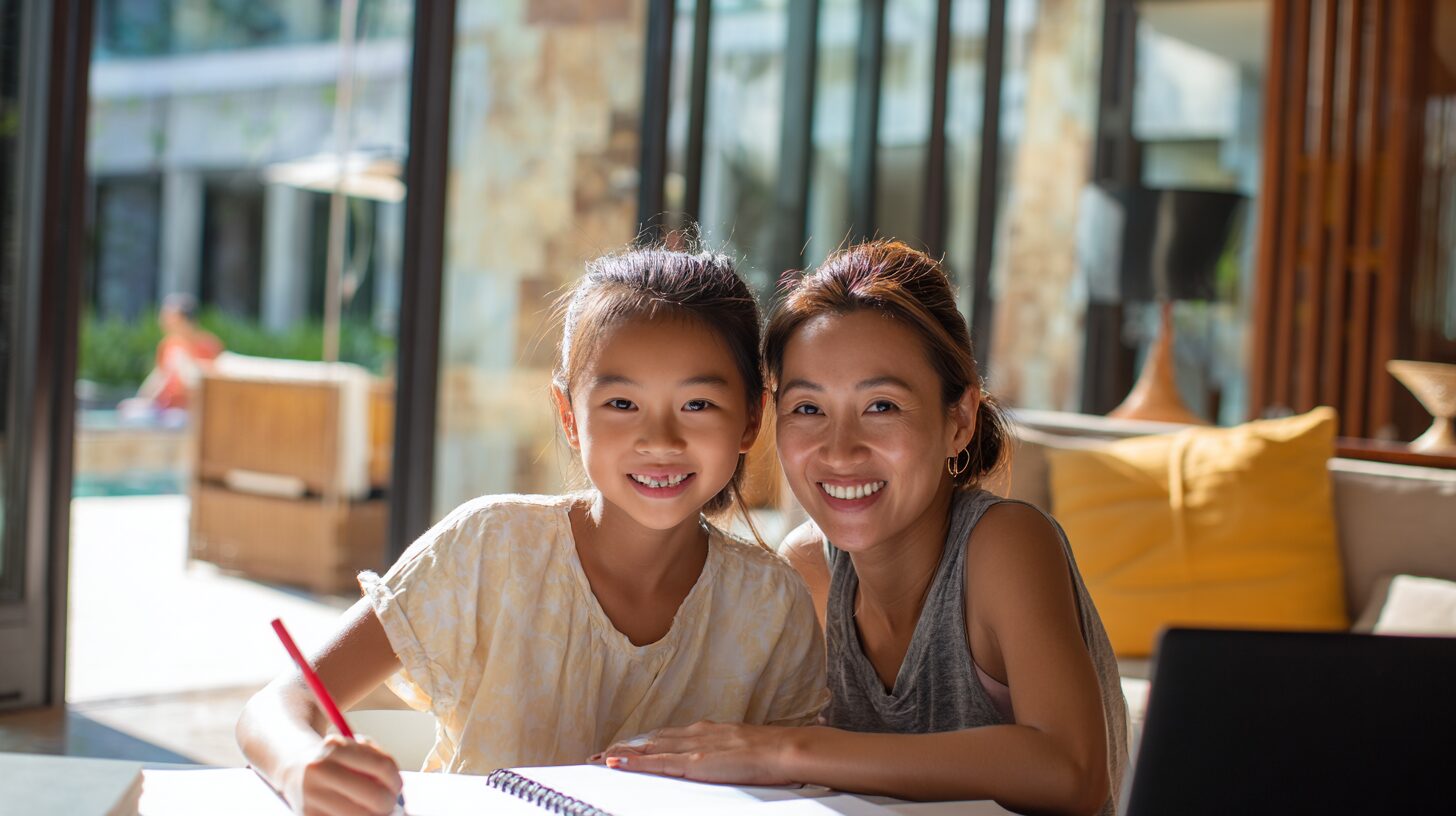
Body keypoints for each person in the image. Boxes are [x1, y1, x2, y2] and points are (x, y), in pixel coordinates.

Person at [236, 247, 828, 815]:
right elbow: (279, 704)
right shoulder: (489, 548)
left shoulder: (772, 605)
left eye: (697, 405)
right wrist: (301, 767)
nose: (660, 440)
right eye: (622, 404)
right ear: (569, 415)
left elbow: (802, 784)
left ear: (751, 418)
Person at [600, 241, 1129, 816]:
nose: (840, 450)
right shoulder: (810, 570)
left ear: (958, 420)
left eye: (881, 406)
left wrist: (790, 751)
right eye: (808, 409)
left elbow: (1072, 773)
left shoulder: (1003, 545)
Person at [119, 293, 224, 419]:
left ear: (185, 320)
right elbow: (159, 376)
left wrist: (184, 362)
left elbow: (208, 384)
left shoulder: (207, 345)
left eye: (168, 317)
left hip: (190, 411)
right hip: (165, 407)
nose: (162, 322)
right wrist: (142, 400)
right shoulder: (169, 344)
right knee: (130, 413)